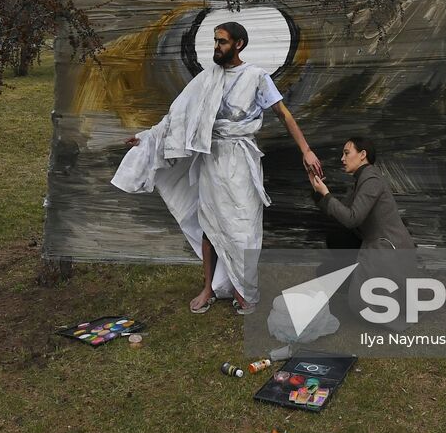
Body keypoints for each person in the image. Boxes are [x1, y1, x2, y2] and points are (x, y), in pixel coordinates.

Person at [111, 21, 321, 315]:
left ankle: (242, 290)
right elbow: (177, 115)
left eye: (222, 41)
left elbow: (283, 114)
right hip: (212, 159)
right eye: (215, 41)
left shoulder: (256, 77)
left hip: (241, 162)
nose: (216, 47)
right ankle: (208, 288)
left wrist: (306, 151)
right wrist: (148, 138)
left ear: (239, 44)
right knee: (209, 224)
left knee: (244, 227)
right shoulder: (207, 78)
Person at [308, 137, 413, 251]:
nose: (342, 158)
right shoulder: (360, 180)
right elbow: (341, 215)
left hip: (390, 250)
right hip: (379, 247)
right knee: (336, 238)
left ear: (363, 154)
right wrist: (319, 192)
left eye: (346, 153)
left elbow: (352, 219)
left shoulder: (372, 180)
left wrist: (326, 194)